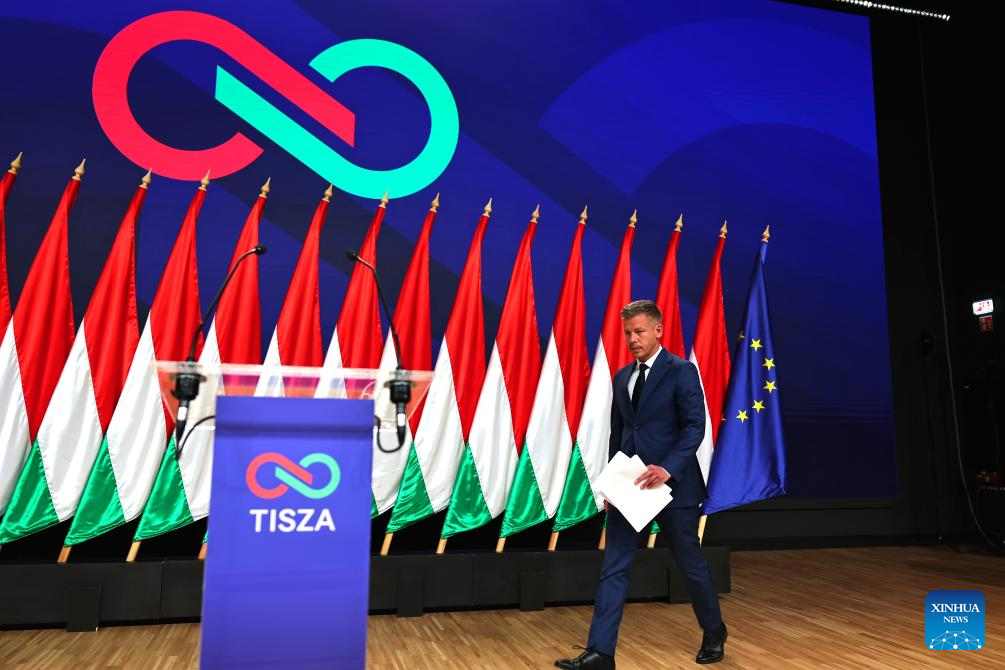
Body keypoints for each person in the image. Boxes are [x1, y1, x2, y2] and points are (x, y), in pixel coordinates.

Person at [555, 300, 727, 669]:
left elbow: (695, 427)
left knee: (690, 565)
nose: (633, 339)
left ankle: (714, 630)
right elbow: (619, 434)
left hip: (674, 489)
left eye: (639, 331)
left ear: (658, 330)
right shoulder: (622, 377)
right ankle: (601, 653)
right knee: (614, 566)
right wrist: (610, 484)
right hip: (630, 488)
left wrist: (668, 468)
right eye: (628, 333)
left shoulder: (681, 371)